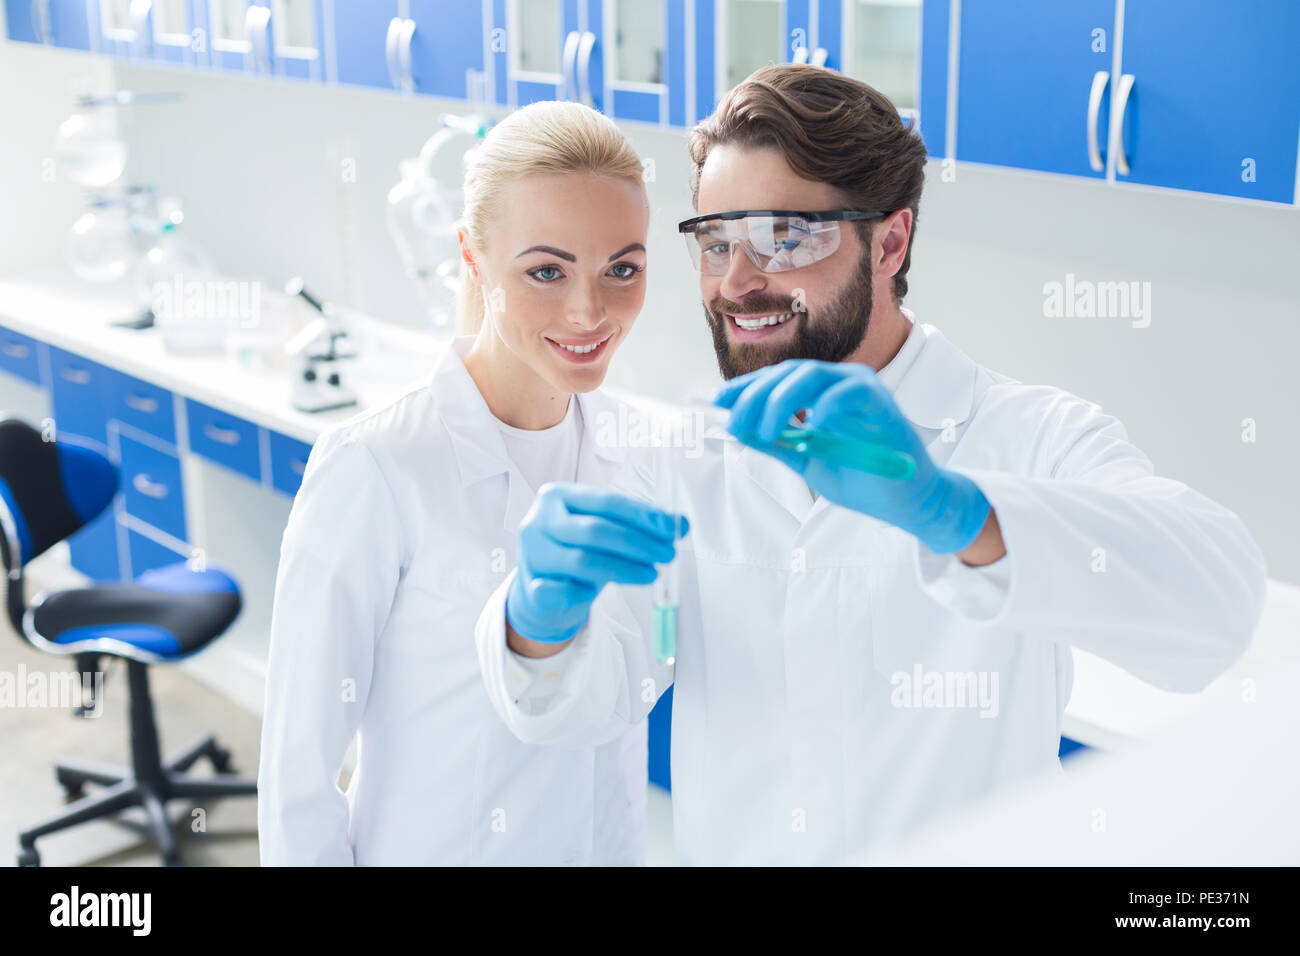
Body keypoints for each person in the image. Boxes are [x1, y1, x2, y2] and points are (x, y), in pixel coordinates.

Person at [474, 65, 1269, 865]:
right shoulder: (682, 462)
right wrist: (538, 624)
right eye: (716, 243)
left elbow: (1219, 612)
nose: (738, 282)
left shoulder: (1029, 435)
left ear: (889, 242)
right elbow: (585, 706)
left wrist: (952, 510)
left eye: (783, 236)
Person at [258, 100, 662, 865]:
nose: (588, 310)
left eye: (622, 269)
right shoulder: (376, 466)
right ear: (473, 259)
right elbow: (296, 775)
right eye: (546, 270)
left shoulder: (639, 455)